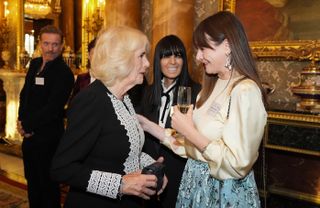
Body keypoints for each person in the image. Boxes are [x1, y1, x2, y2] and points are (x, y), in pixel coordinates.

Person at [138, 11, 268, 207]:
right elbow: (192, 147)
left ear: (227, 45)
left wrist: (189, 130)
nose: (198, 57)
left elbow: (237, 164)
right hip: (196, 187)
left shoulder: (245, 91)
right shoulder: (211, 87)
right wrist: (148, 126)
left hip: (224, 194)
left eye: (203, 49)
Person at [51, 26, 167, 208]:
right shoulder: (92, 100)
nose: (147, 64)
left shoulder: (124, 98)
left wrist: (151, 166)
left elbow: (120, 151)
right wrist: (121, 184)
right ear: (122, 59)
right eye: (141, 56)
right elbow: (62, 168)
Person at [140, 34, 200, 208]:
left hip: (180, 171)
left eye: (178, 55)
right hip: (150, 172)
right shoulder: (147, 92)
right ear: (158, 60)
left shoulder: (196, 92)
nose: (173, 61)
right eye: (166, 55)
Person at [17, 25, 75, 208]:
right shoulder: (34, 64)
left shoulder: (63, 73)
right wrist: (20, 121)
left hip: (48, 138)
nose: (51, 49)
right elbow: (24, 94)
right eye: (47, 43)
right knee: (32, 182)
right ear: (39, 44)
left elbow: (53, 108)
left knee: (47, 186)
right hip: (30, 137)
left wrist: (27, 126)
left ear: (62, 45)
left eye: (55, 44)